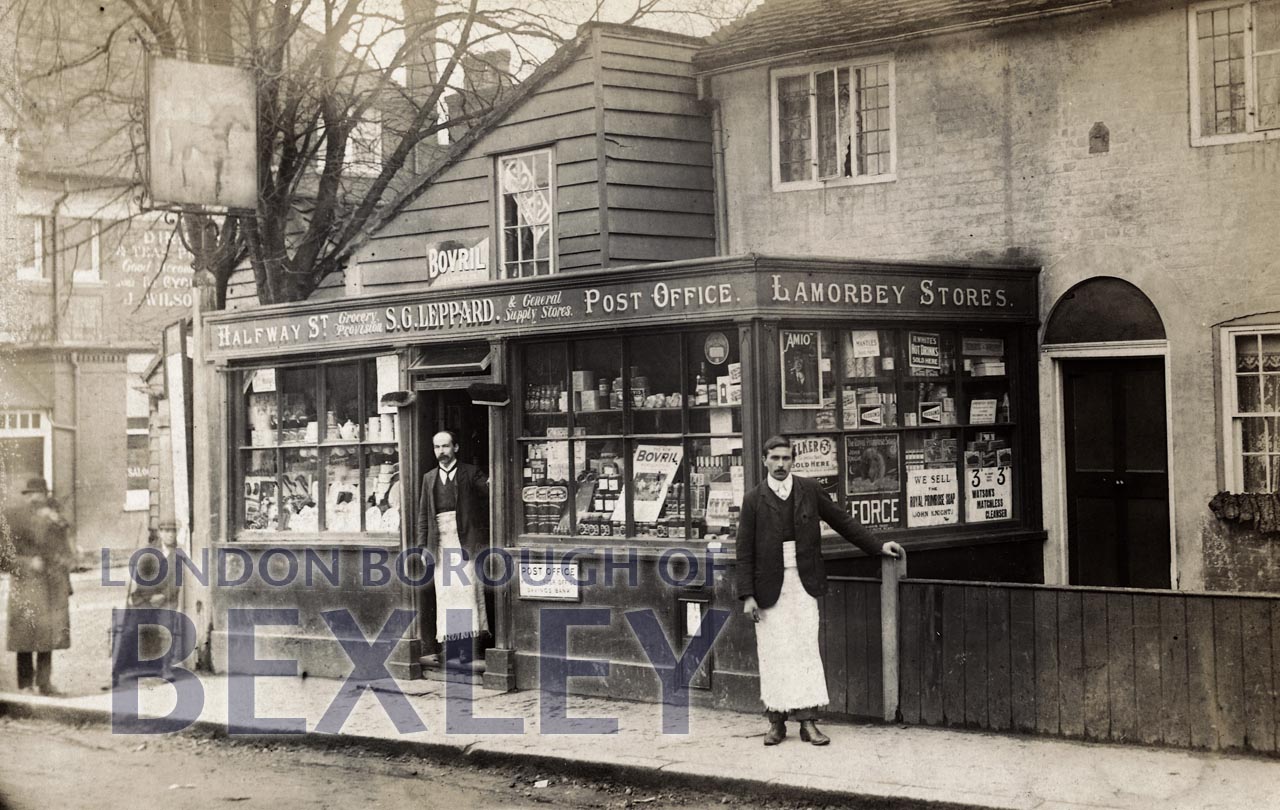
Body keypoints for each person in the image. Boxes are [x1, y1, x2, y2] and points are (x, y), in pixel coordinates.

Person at [736, 436, 903, 746]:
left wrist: (878, 546)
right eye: (775, 458)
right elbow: (744, 550)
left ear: (793, 459)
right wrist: (747, 595)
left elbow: (842, 521)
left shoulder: (809, 491)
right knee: (773, 652)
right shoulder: (753, 500)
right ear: (764, 460)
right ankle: (776, 721)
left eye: (786, 458)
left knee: (805, 650)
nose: (781, 464)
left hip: (804, 583)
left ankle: (808, 722)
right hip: (768, 588)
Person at [415, 430, 489, 668]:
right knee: (446, 595)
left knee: (466, 594)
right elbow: (423, 516)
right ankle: (450, 648)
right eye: (437, 447)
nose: (441, 452)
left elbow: (491, 495)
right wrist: (423, 547)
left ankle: (468, 649)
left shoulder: (470, 472)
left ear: (455, 448)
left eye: (446, 446)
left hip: (464, 543)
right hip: (440, 545)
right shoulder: (429, 478)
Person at [1, 478, 74, 696]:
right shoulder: (13, 520)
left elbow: (65, 550)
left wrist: (65, 565)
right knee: (25, 635)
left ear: (44, 495)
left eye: (39, 494)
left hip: (52, 584)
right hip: (26, 584)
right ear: (25, 496)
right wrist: (26, 563)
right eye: (31, 494)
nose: (35, 498)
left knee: (49, 635)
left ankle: (45, 683)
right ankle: (25, 684)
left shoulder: (55, 520)